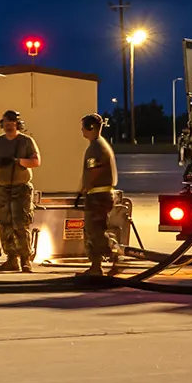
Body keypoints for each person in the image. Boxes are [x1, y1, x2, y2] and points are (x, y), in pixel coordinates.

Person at [0, 110, 41, 271]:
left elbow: (36, 161)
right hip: (2, 189)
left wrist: (18, 161)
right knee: (4, 223)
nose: (9, 127)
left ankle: (25, 259)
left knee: (21, 223)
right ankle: (11, 258)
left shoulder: (26, 141)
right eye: (6, 124)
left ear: (17, 124)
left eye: (12, 124)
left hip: (21, 188)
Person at [79, 113, 121, 275]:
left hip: (98, 196)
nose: (81, 130)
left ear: (90, 128)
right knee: (94, 230)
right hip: (100, 194)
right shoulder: (99, 145)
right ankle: (98, 265)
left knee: (95, 231)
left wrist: (84, 188)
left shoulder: (96, 147)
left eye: (83, 127)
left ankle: (115, 255)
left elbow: (94, 171)